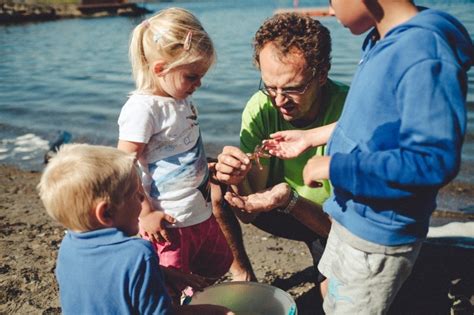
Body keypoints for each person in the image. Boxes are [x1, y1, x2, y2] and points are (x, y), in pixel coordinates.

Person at [263, 1, 474, 313]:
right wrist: (312, 137)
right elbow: (370, 124)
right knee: (334, 300)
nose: (332, 9)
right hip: (349, 217)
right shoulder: (381, 39)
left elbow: (432, 160)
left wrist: (337, 166)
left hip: (377, 234)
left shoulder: (422, 53)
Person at [213, 13, 348, 290]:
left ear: (321, 74)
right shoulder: (260, 107)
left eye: (293, 88)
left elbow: (344, 228)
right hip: (277, 206)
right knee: (214, 184)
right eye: (270, 87)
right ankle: (243, 275)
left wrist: (290, 199)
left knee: (333, 294)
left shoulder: (351, 110)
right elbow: (249, 212)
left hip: (330, 223)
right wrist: (236, 178)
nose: (279, 100)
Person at [37, 144, 234, 315]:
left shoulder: (68, 246)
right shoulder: (138, 253)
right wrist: (217, 311)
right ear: (106, 213)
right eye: (136, 195)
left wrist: (163, 272)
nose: (142, 200)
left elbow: (109, 274)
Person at [117, 7, 232, 284]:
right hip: (168, 221)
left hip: (199, 211)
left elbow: (182, 149)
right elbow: (123, 165)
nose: (199, 83)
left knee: (219, 262)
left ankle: (198, 300)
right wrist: (146, 213)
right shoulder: (143, 108)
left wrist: (207, 167)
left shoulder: (181, 100)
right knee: (171, 283)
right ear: (160, 69)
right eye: (192, 76)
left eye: (201, 75)